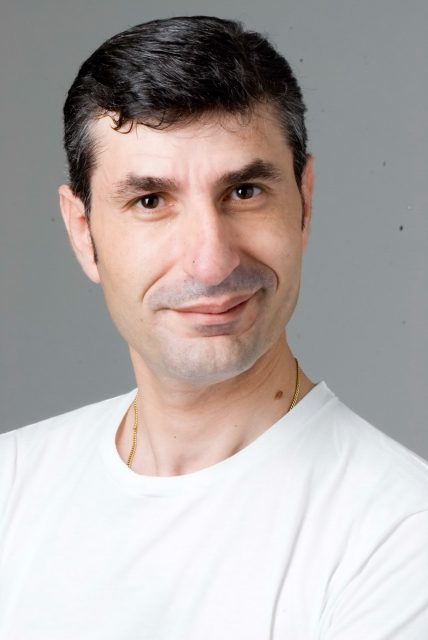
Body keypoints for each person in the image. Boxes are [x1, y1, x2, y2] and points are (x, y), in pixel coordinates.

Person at [0, 15, 427, 640]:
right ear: (82, 232)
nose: (211, 262)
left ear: (304, 203)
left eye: (245, 192)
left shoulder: (399, 536)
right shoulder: (11, 484)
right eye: (151, 201)